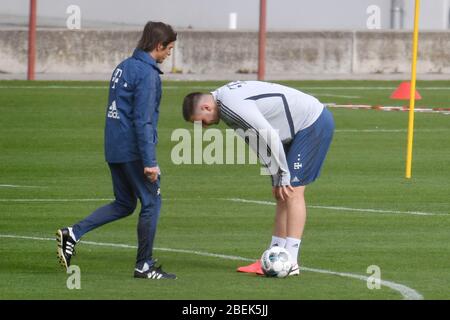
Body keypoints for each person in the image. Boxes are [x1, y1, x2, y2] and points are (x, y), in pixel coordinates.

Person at [56, 21, 177, 280]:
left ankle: (73, 233)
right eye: (169, 48)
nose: (170, 54)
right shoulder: (147, 74)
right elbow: (142, 120)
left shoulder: (123, 67)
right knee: (151, 202)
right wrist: (150, 161)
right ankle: (144, 265)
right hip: (134, 150)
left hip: (114, 146)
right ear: (159, 46)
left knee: (124, 203)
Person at [181, 81, 334, 276]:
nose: (203, 126)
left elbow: (269, 136)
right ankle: (273, 255)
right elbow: (256, 141)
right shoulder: (224, 104)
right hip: (291, 131)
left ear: (206, 107)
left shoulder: (230, 105)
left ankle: (291, 261)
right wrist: (275, 176)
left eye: (201, 121)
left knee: (293, 191)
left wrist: (282, 175)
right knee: (281, 193)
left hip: (311, 124)